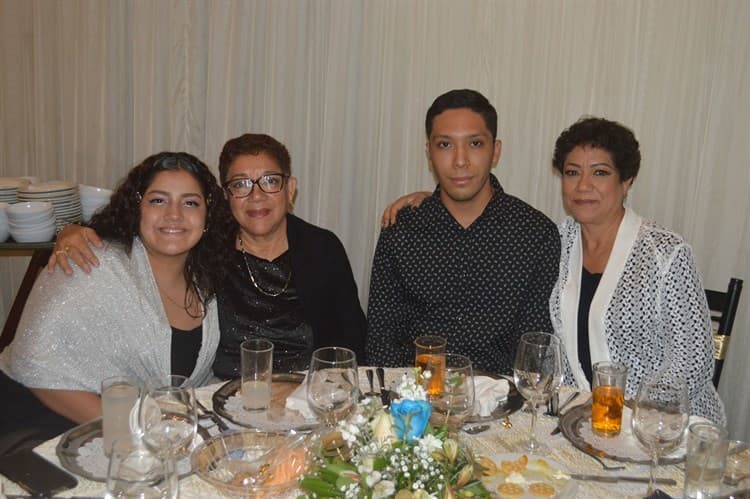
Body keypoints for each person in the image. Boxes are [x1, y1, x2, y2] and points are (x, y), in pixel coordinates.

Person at [49, 134, 367, 378]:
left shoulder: (322, 248)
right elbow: (140, 233)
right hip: (221, 398)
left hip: (306, 396)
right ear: (226, 196)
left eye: (270, 181)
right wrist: (70, 231)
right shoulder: (205, 244)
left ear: (290, 189)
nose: (256, 195)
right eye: (241, 184)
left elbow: (352, 341)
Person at [0, 152, 232, 438]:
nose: (174, 214)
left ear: (207, 216)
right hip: (40, 427)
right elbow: (32, 364)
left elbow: (192, 381)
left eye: (190, 202)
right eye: (158, 200)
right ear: (137, 209)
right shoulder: (90, 261)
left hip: (145, 428)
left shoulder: (205, 281)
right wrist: (132, 430)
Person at [366, 89, 561, 375]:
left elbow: (534, 351)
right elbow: (382, 342)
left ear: (495, 151)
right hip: (415, 399)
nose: (460, 160)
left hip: (503, 403)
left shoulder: (534, 233)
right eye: (445, 145)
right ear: (429, 153)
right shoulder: (403, 229)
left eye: (475, 144)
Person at [550, 117, 724, 423]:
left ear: (627, 180)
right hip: (578, 417)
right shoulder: (557, 243)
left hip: (660, 425)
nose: (582, 186)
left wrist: (631, 413)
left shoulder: (665, 252)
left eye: (600, 173)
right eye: (572, 172)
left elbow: (693, 361)